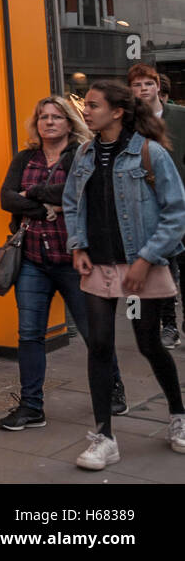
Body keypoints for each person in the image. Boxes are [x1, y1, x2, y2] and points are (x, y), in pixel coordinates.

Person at [62, 80, 185, 468]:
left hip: (139, 262)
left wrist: (147, 259)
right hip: (99, 264)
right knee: (99, 345)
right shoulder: (84, 153)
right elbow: (71, 203)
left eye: (94, 105)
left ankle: (178, 416)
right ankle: (104, 437)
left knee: (149, 343)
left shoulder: (149, 153)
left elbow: (176, 211)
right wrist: (78, 245)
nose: (87, 110)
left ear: (117, 112)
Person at [0, 97, 125, 429]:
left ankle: (113, 390)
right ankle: (31, 406)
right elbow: (6, 197)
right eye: (43, 117)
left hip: (76, 261)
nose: (49, 122)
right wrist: (44, 208)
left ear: (69, 122)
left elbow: (77, 193)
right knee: (29, 334)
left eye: (56, 117)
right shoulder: (25, 158)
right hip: (33, 262)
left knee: (93, 332)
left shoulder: (82, 155)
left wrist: (34, 193)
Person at [128, 62, 185, 349]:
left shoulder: (179, 116)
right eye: (137, 85)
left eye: (147, 84)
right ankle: (169, 326)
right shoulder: (129, 122)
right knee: (163, 267)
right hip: (147, 205)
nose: (143, 89)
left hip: (180, 202)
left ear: (158, 87)